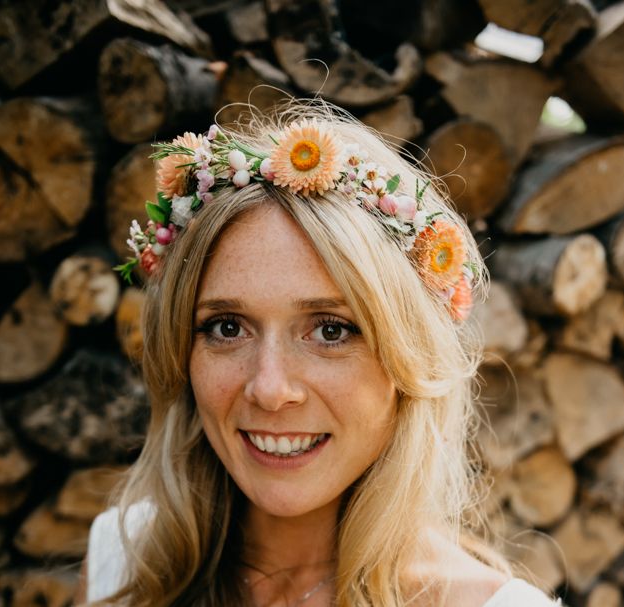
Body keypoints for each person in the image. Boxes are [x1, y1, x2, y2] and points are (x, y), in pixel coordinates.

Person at [74, 100, 562, 606]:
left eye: (330, 331)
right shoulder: (124, 561)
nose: (269, 388)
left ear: (409, 355)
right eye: (226, 327)